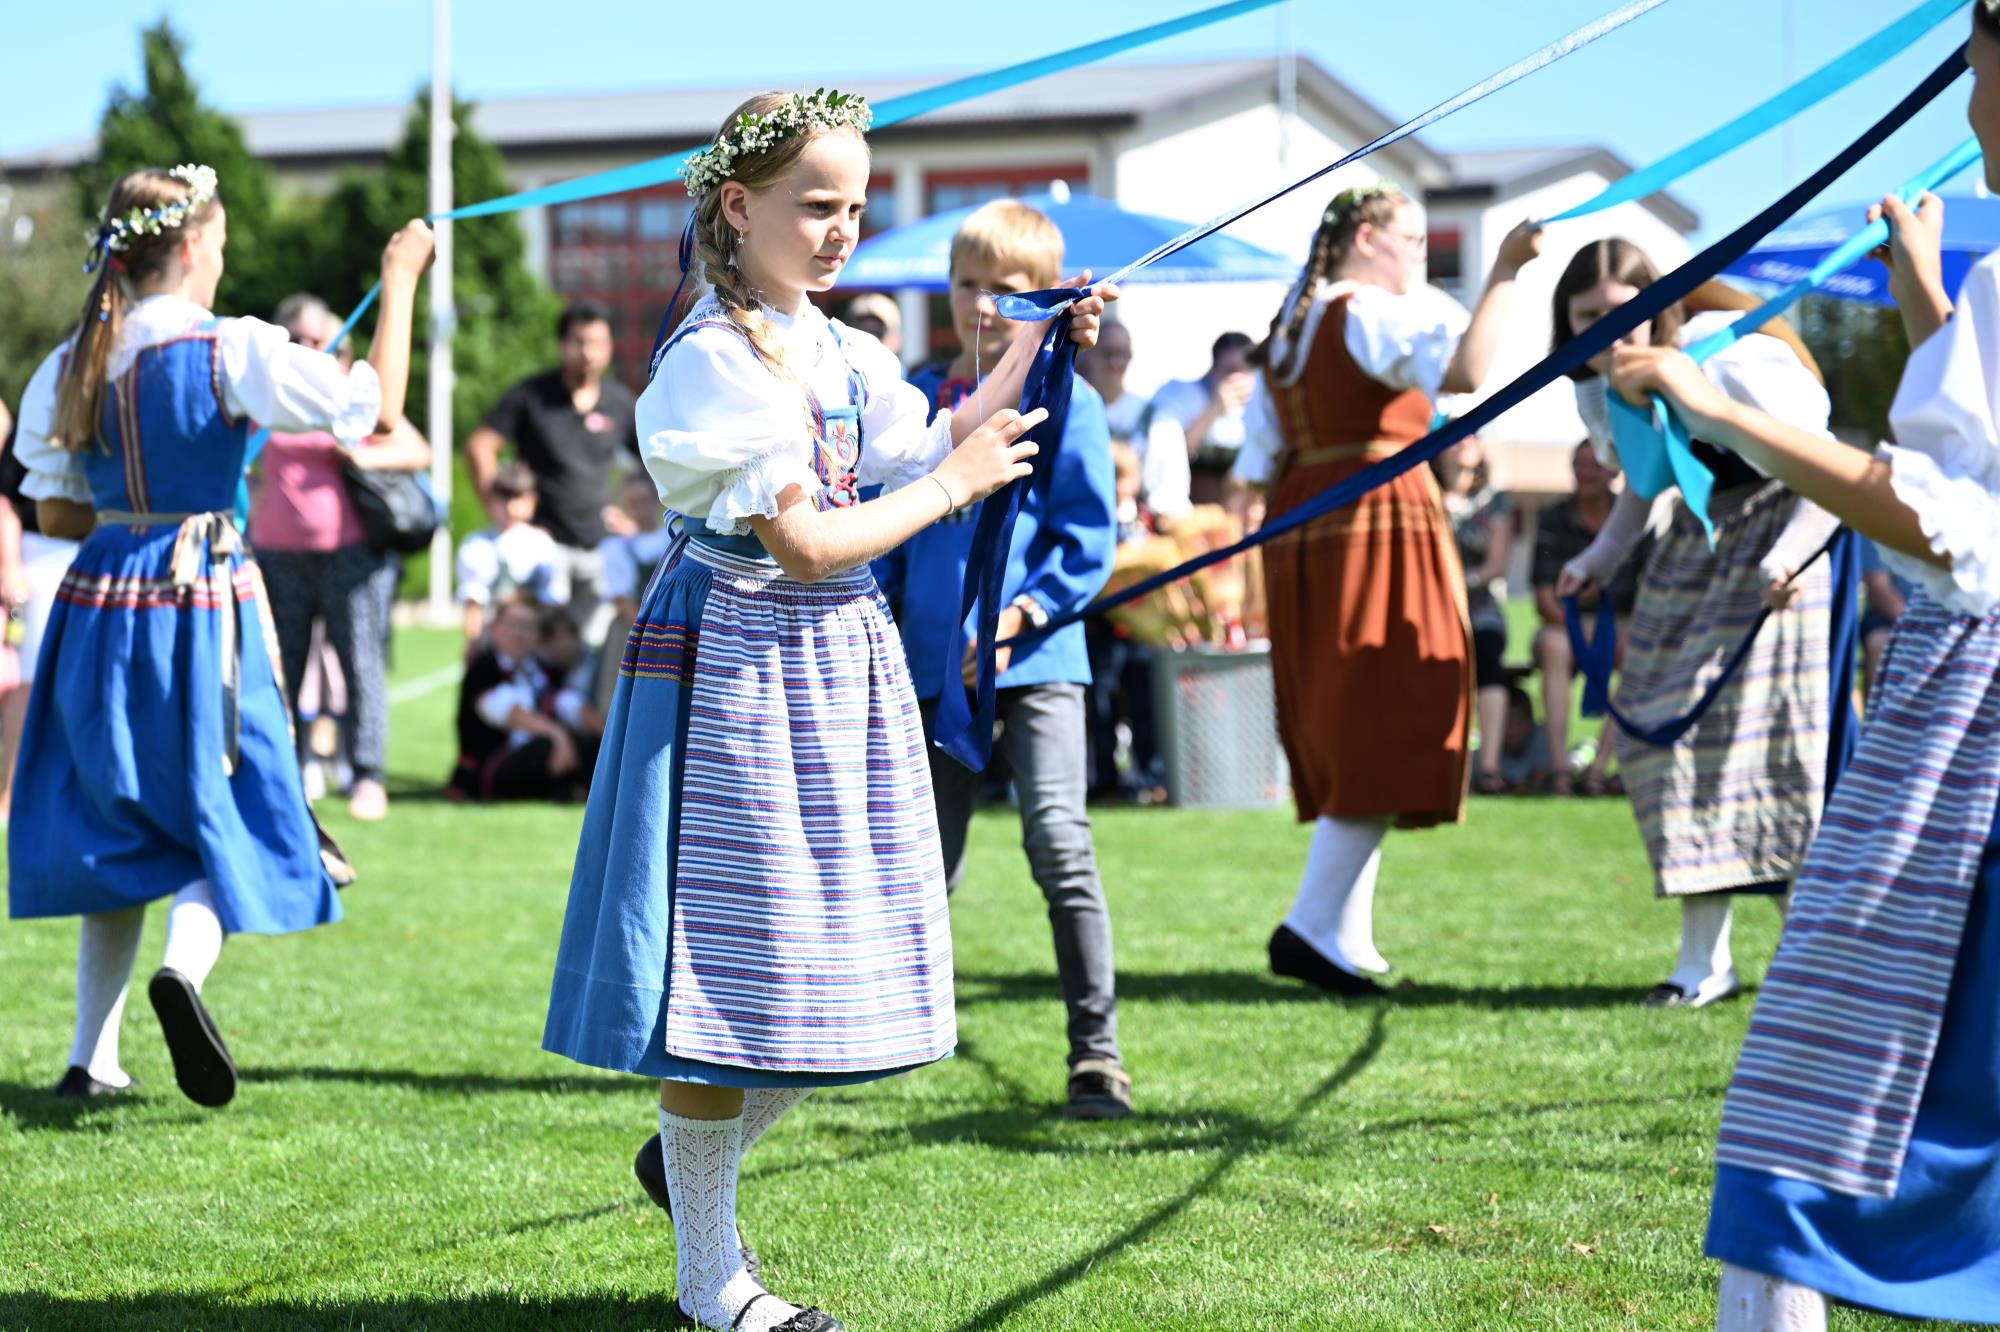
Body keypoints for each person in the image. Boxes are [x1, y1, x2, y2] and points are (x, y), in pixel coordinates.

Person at [539, 90, 1110, 1332]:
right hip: (733, 671)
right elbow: (802, 541)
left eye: (856, 205)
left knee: (843, 969)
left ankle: (693, 1180)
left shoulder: (844, 350)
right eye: (818, 205)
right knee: (728, 990)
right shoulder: (709, 360)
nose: (844, 228)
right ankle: (710, 1279)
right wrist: (952, 486)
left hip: (832, 676)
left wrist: (1038, 342)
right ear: (737, 207)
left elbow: (946, 435)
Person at [1615, 13, 2000, 1320]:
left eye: (1976, 66)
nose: (1966, 107)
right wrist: (1921, 286)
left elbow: (1962, 524)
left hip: (1971, 738)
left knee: (1816, 1092)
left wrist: (1728, 412)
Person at [7, 163, 431, 1105]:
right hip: (202, 601)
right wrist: (399, 277)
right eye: (224, 243)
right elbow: (378, 413)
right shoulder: (229, 348)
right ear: (194, 246)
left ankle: (91, 1058)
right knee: (229, 806)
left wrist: (133, 514)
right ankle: (183, 973)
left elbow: (50, 505)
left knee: (117, 822)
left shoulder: (78, 358)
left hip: (96, 604)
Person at [1229, 182, 1542, 996]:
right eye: (1411, 241)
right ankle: (1307, 925)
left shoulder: (1292, 330)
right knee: (1388, 705)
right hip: (1375, 517)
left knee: (1350, 714)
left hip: (1305, 525)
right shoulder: (1365, 312)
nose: (1418, 258)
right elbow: (1469, 371)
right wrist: (1504, 267)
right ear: (1367, 238)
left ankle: (1346, 938)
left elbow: (1257, 465)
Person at [872, 199, 1127, 1118]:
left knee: (1059, 842)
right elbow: (890, 539)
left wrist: (1016, 620)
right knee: (921, 865)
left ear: (1049, 300)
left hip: (1037, 663)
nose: (984, 304)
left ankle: (1096, 1054)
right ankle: (886, 1041)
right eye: (969, 283)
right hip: (933, 672)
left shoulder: (1069, 400)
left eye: (1009, 290)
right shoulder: (914, 403)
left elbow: (1085, 540)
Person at [1554, 239, 1838, 1011]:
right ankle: (1708, 961)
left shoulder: (1734, 363)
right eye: (1587, 319)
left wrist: (1786, 561)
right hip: (1699, 542)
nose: (1610, 334)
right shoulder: (1603, 389)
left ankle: (1810, 958)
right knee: (1657, 731)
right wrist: (1600, 558)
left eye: (1624, 314)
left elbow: (1825, 466)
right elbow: (1645, 484)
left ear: (1664, 306)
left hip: (1787, 536)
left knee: (1770, 747)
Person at [249, 292, 431, 823]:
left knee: (361, 665)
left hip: (352, 556)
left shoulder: (347, 396)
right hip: (278, 557)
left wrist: (354, 450)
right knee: (281, 669)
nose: (310, 346)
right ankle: (284, 771)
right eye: (299, 337)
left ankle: (367, 776)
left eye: (318, 338)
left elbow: (416, 450)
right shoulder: (265, 394)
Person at [465, 301, 639, 640]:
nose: (588, 352)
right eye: (579, 342)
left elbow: (655, 464)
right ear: (561, 344)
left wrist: (639, 519)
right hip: (543, 548)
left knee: (592, 654)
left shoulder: (621, 402)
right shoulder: (532, 396)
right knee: (538, 647)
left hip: (600, 548)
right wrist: (501, 510)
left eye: (598, 343)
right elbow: (479, 446)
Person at [1531, 440, 1649, 796]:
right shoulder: (1553, 517)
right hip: (1567, 625)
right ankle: (1559, 770)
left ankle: (1599, 768)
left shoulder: (1635, 517)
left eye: (1594, 464)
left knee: (1636, 653)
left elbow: (1648, 589)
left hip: (1621, 623)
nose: (1586, 472)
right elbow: (1543, 595)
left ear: (1613, 471)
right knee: (1555, 648)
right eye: (1579, 464)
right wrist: (1581, 630)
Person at [0, 397, 81, 827]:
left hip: (96, 550)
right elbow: (7, 497)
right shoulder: (42, 402)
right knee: (32, 679)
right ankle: (9, 797)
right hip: (42, 554)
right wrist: (12, 567)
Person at [445, 597, 598, 804]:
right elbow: (508, 712)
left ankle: (580, 788)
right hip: (490, 768)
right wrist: (557, 734)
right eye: (513, 625)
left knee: (592, 743)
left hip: (539, 755)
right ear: (495, 628)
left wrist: (608, 734)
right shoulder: (483, 667)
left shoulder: (539, 668)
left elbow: (568, 703)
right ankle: (571, 788)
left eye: (528, 627)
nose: (520, 634)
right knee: (547, 746)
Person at [1433, 435, 1514, 795]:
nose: (1464, 442)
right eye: (1455, 435)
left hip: (1478, 607)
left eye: (1472, 435)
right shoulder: (1425, 494)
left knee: (1488, 658)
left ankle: (1489, 767)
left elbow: (1496, 566)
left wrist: (1457, 583)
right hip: (1431, 607)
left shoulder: (1495, 501)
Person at [456, 462, 564, 645]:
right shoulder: (477, 545)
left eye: (518, 497)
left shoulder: (541, 543)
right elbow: (473, 604)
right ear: (490, 501)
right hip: (494, 639)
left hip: (535, 640)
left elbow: (552, 602)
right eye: (504, 498)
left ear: (532, 501)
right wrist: (474, 645)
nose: (510, 506)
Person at [593, 469, 674, 709]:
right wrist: (649, 630)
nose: (639, 508)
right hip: (632, 630)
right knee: (619, 700)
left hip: (672, 625)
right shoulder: (615, 547)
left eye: (644, 500)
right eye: (633, 502)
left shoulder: (673, 538)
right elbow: (620, 597)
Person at [1147, 331, 1255, 507]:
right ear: (1214, 370)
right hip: (1193, 511)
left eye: (1244, 370)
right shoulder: (1186, 397)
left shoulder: (1262, 406)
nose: (1236, 379)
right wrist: (1215, 408)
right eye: (1229, 370)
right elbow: (1177, 453)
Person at [1857, 538, 1914, 703]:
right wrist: (1914, 624)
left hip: (1940, 620)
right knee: (1880, 643)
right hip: (1886, 618)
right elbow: (1878, 588)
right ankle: (1875, 721)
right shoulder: (1879, 523)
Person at [1470, 683, 1551, 792]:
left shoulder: (1542, 738)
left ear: (1530, 722)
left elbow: (1542, 773)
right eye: (1506, 723)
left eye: (1519, 723)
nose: (1512, 731)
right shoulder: (1480, 750)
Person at [1079, 319, 1146, 448]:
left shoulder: (1153, 418)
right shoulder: (1072, 408)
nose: (1116, 363)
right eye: (1108, 353)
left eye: (1123, 354)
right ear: (1088, 354)